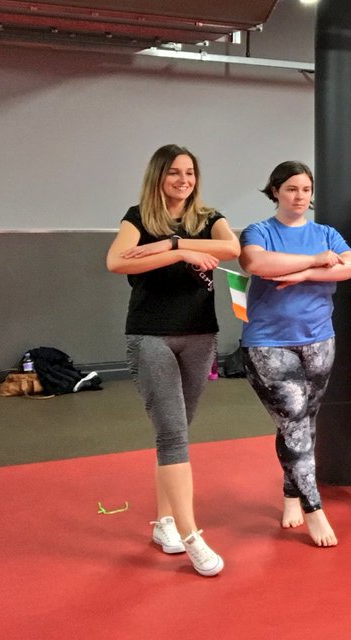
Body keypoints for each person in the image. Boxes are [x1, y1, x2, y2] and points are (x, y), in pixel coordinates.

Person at [106, 144, 239, 576]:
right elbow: (116, 261)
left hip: (200, 336)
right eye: (174, 173)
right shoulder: (138, 217)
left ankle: (165, 522)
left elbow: (232, 249)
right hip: (150, 337)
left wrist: (174, 241)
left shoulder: (209, 217)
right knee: (173, 436)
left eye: (190, 173)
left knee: (177, 433)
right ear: (158, 177)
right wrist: (180, 253)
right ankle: (190, 534)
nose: (183, 180)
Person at [239, 161, 351, 547]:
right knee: (293, 421)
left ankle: (291, 494)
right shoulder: (260, 231)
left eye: (306, 190)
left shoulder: (325, 232)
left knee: (303, 423)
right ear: (275, 191)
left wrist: (305, 275)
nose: (300, 197)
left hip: (319, 339)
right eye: (291, 189)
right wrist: (314, 260)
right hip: (268, 342)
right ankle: (313, 508)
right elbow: (258, 263)